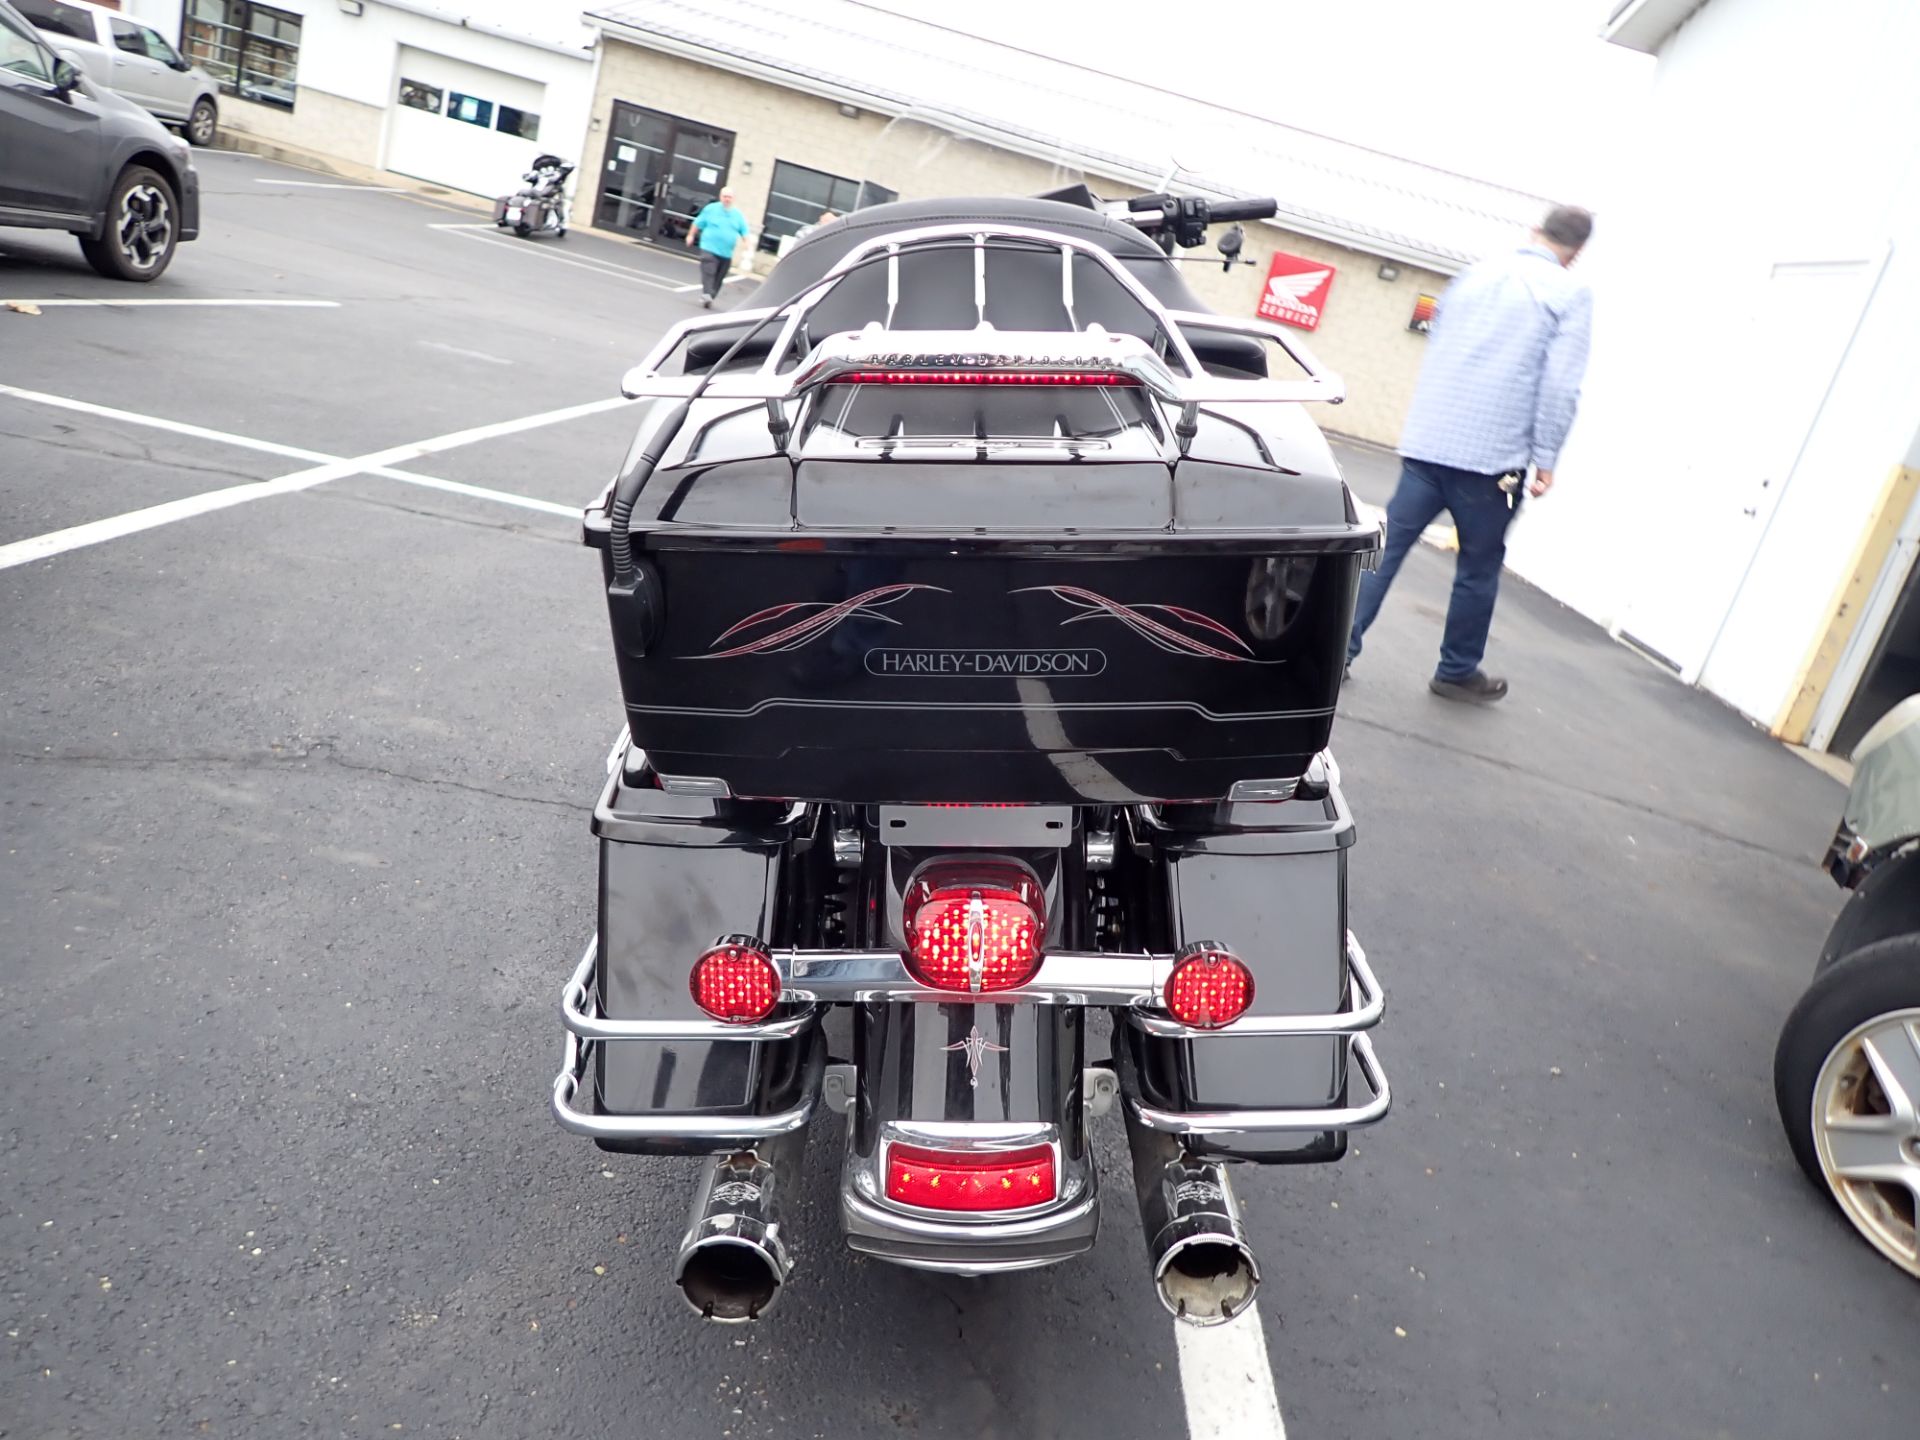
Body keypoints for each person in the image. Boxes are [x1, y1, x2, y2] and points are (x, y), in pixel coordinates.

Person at [1345, 204, 1595, 704]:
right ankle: (1456, 670)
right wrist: (1546, 460)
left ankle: (1336, 653)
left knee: (1383, 552)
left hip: (1429, 444)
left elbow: (1441, 341)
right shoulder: (1569, 293)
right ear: (1578, 252)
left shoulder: (1473, 275)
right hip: (1491, 462)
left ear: (1535, 231)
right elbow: (1560, 388)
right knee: (1478, 568)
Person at [686, 188, 752, 307]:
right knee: (709, 270)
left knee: (719, 277)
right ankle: (707, 294)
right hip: (709, 247)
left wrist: (747, 244)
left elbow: (744, 231)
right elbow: (697, 223)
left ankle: (710, 295)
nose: (727, 199)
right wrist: (690, 235)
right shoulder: (711, 209)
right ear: (720, 197)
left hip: (726, 253)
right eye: (725, 196)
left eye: (729, 197)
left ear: (733, 199)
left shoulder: (737, 215)